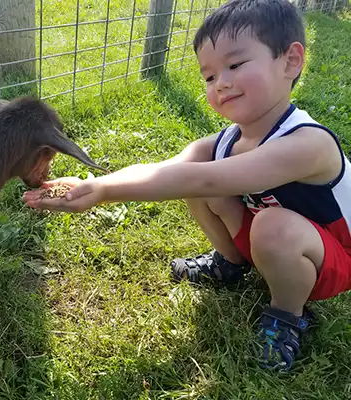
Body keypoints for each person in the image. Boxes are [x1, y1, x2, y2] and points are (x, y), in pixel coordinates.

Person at [23, 0, 351, 371]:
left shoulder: (309, 144)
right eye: (209, 77)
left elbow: (204, 177)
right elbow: (168, 170)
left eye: (236, 64)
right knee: (205, 182)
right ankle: (230, 262)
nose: (221, 83)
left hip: (330, 260)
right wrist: (94, 183)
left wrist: (104, 194)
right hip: (271, 244)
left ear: (291, 61)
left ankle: (286, 315)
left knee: (270, 222)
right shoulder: (223, 142)